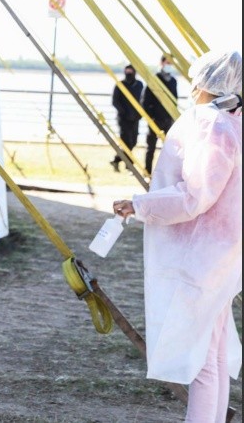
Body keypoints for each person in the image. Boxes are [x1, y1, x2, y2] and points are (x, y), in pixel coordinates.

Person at [113, 50, 242, 423]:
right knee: (213, 353)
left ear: (207, 84)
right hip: (223, 253)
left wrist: (139, 204)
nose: (193, 87)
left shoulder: (214, 127)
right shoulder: (234, 123)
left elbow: (194, 196)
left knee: (200, 360)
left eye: (197, 81)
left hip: (203, 255)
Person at [141, 55, 179, 174]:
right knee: (151, 147)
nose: (169, 66)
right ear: (161, 63)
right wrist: (150, 117)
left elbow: (175, 100)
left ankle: (167, 173)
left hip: (168, 119)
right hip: (155, 119)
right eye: (167, 63)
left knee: (169, 149)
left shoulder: (173, 81)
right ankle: (147, 171)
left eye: (171, 64)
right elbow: (145, 101)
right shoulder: (154, 79)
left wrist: (173, 117)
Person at [110, 64, 144, 172]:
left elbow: (143, 99)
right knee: (126, 142)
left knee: (133, 142)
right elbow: (115, 101)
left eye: (131, 71)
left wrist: (140, 114)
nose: (129, 73)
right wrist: (124, 112)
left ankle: (116, 160)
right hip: (123, 119)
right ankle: (129, 164)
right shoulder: (120, 84)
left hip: (135, 118)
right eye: (127, 71)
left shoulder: (139, 84)